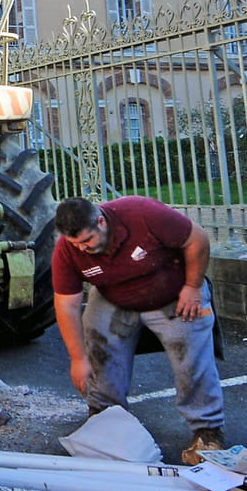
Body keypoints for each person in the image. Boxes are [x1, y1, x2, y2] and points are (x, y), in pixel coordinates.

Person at [51, 196, 225, 465]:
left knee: (190, 352)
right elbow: (66, 305)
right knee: (96, 339)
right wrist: (77, 358)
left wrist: (193, 287)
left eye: (87, 241)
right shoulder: (67, 249)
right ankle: (104, 419)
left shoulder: (143, 214)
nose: (82, 249)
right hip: (115, 297)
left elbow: (197, 239)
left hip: (174, 292)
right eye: (76, 244)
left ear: (100, 221)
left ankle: (207, 429)